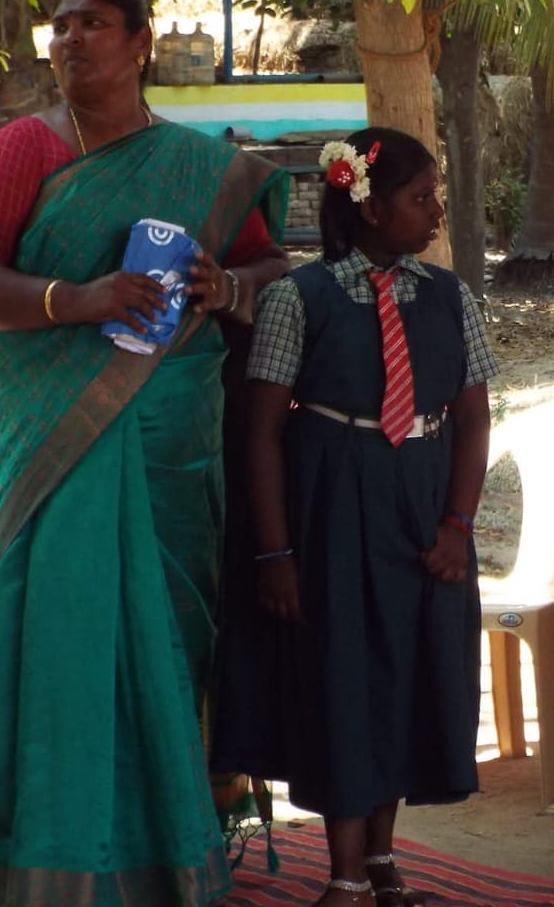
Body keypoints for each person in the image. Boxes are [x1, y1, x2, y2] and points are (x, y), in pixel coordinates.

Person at [0, 0, 290, 907]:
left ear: (140, 43)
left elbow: (267, 263)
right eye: (60, 25)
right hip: (51, 442)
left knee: (167, 637)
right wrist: (75, 300)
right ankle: (48, 862)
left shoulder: (199, 164)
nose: (70, 39)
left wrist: (226, 290)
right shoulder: (21, 150)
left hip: (174, 442)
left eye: (93, 24)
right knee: (60, 636)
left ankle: (173, 853)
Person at [209, 127, 496, 907]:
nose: (437, 211)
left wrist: (457, 527)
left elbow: (472, 420)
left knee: (405, 670)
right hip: (333, 500)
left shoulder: (450, 296)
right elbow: (262, 432)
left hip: (421, 500)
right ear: (367, 206)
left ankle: (380, 862)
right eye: (421, 196)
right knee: (343, 673)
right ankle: (342, 873)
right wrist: (275, 554)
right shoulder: (299, 300)